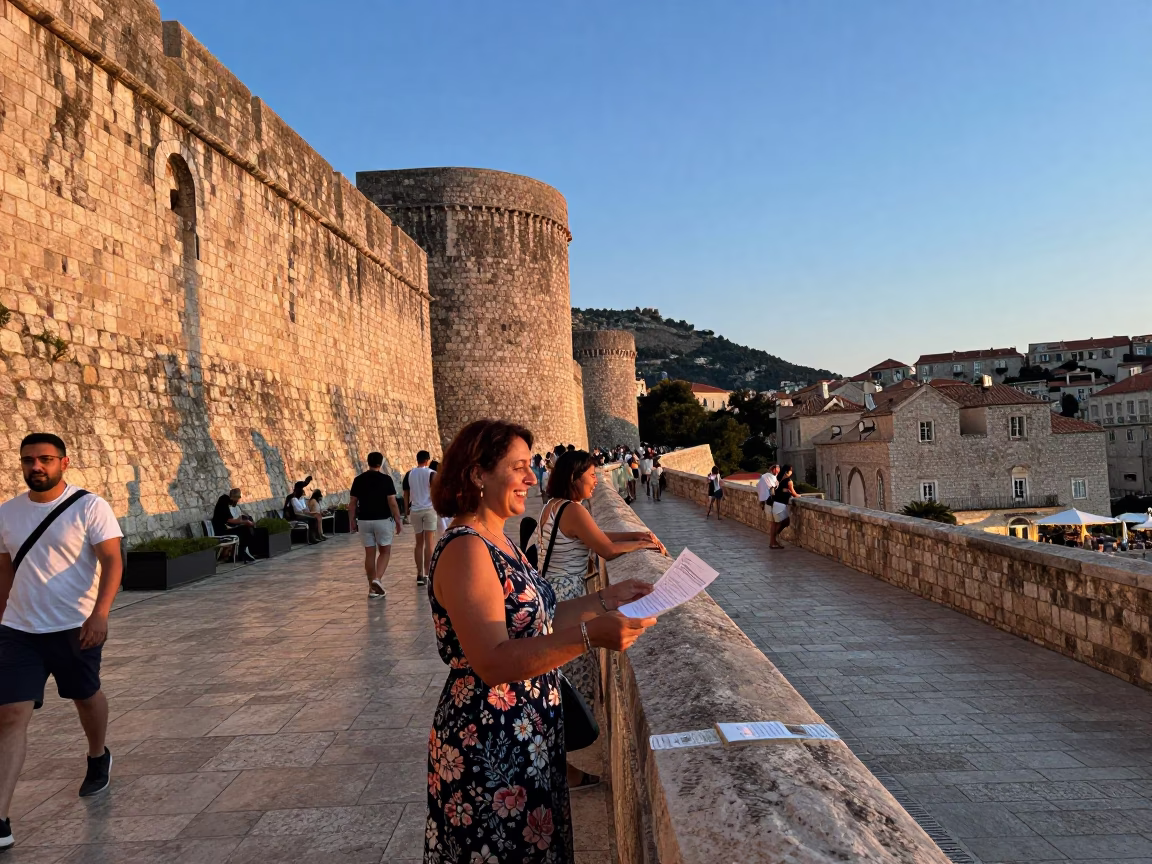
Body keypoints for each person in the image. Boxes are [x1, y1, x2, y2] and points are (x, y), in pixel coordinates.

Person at [424, 419, 657, 864]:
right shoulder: (467, 549)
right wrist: (591, 637)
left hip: (528, 732)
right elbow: (493, 661)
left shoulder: (500, 540)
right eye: (519, 468)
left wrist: (607, 598)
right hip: (491, 740)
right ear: (478, 474)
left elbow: (539, 618)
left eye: (531, 466)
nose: (532, 478)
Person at [0, 433, 124, 852]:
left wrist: (100, 613)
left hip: (74, 626)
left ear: (63, 463)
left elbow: (112, 560)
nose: (36, 466)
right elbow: (5, 572)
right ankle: (0, 818)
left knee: (85, 696)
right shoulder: (7, 513)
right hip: (18, 630)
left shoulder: (90, 506)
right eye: (29, 460)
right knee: (10, 714)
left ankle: (97, 755)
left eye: (45, 459)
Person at [538, 450, 666, 787]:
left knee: (560, 685)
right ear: (575, 478)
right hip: (567, 596)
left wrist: (640, 537)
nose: (597, 480)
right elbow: (606, 550)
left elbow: (599, 535)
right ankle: (557, 771)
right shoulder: (574, 509)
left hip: (551, 592)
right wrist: (642, 547)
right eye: (591, 475)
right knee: (571, 685)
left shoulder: (553, 506)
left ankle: (560, 769)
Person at [349, 452, 402, 599]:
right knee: (385, 551)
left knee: (369, 554)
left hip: (364, 520)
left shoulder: (358, 480)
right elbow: (392, 501)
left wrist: (352, 520)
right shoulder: (386, 479)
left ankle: (371, 589)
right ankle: (377, 580)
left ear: (368, 462)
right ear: (381, 463)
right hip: (382, 520)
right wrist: (398, 519)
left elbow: (352, 503)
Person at [404, 450, 437, 585]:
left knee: (419, 543)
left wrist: (406, 511)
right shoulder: (431, 474)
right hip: (428, 509)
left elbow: (406, 494)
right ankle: (428, 572)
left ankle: (419, 574)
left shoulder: (409, 474)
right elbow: (436, 492)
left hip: (415, 510)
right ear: (427, 460)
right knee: (429, 542)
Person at [211, 488, 256, 562]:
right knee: (245, 529)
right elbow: (229, 520)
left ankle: (242, 552)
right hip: (221, 531)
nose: (237, 501)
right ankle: (241, 553)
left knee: (246, 528)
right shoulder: (224, 501)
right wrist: (243, 522)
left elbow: (230, 520)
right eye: (237, 499)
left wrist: (242, 520)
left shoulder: (226, 502)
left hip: (225, 528)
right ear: (234, 497)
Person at [770, 465, 798, 549]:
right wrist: (798, 495)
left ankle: (773, 542)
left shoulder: (778, 479)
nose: (792, 472)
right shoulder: (788, 481)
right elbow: (794, 494)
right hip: (781, 504)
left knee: (775, 523)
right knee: (785, 522)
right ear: (787, 472)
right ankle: (775, 538)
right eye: (791, 471)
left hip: (774, 503)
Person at [756, 464, 782, 547]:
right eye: (778, 469)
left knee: (773, 523)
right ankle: (772, 542)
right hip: (771, 502)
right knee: (775, 523)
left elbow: (759, 488)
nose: (778, 471)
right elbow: (772, 488)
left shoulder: (764, 476)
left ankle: (773, 541)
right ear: (774, 469)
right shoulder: (769, 477)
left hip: (767, 502)